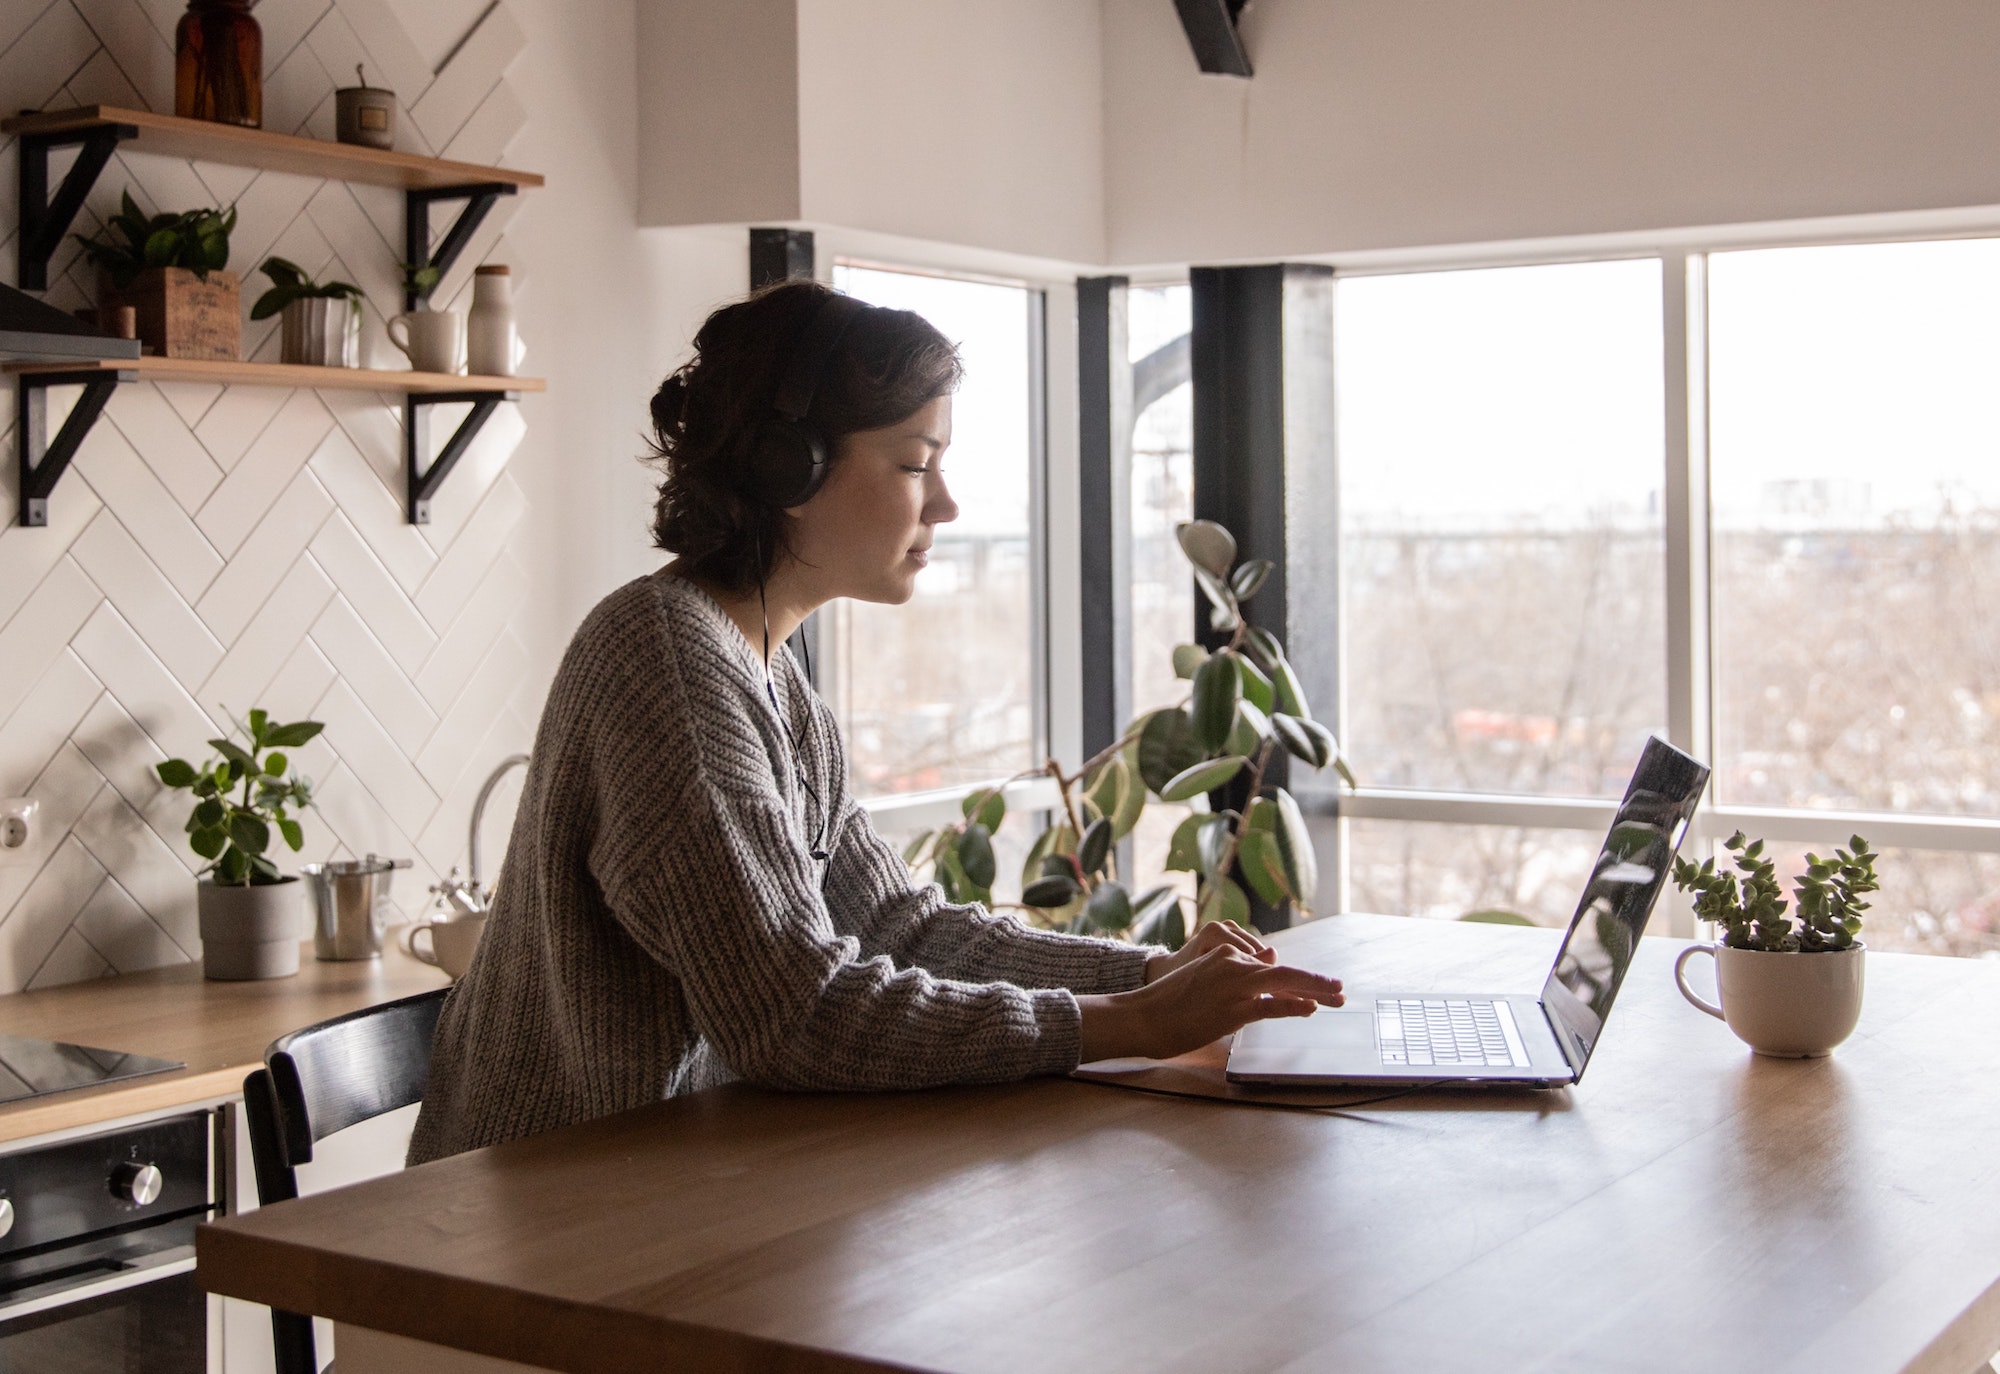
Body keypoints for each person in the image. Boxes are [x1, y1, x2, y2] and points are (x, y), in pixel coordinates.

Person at [407, 281, 1343, 1164]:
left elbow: (897, 928)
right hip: (519, 1235)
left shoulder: (765, 674)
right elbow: (793, 1016)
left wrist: (1148, 977)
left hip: (663, 1186)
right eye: (915, 464)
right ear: (789, 470)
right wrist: (1128, 1026)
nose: (945, 503)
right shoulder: (668, 665)